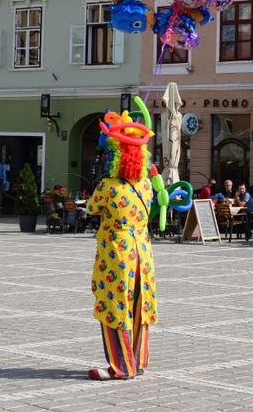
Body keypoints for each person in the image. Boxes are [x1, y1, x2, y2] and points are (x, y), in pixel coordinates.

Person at [85, 108, 156, 381]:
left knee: (114, 306)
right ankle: (137, 361)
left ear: (114, 157)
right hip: (143, 251)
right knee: (140, 305)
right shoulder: (146, 186)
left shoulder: (108, 186)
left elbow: (92, 208)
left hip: (117, 252)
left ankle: (120, 366)